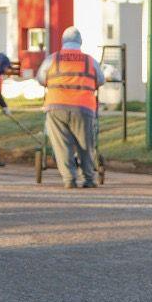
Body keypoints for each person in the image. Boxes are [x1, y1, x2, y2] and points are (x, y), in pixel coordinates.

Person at [36, 26, 101, 189]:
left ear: (63, 42)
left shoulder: (53, 59)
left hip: (56, 106)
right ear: (80, 42)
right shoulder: (89, 60)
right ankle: (88, 178)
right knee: (85, 144)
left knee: (62, 144)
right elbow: (100, 80)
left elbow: (41, 78)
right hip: (83, 107)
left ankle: (69, 179)